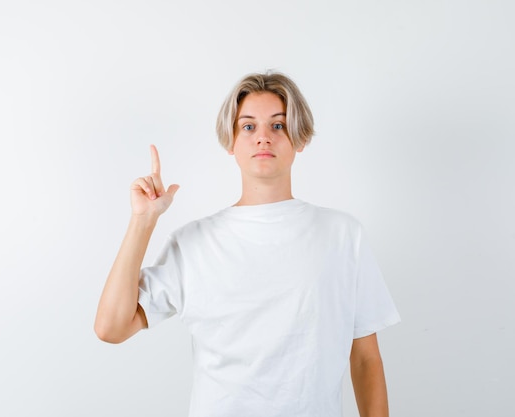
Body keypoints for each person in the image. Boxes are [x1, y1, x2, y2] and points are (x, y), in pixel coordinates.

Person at [94, 72, 400, 417]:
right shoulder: (194, 243)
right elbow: (111, 327)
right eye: (249, 127)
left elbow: (365, 358)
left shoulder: (342, 235)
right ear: (231, 141)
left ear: (300, 138)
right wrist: (143, 221)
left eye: (279, 126)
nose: (263, 138)